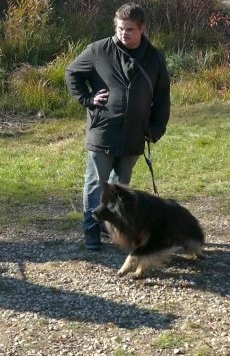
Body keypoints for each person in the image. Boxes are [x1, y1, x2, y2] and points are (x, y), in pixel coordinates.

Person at [65, 3, 170, 250]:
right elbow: (72, 73)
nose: (124, 33)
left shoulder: (154, 58)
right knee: (95, 183)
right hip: (103, 131)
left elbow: (162, 97)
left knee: (120, 188)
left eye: (130, 29)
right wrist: (88, 99)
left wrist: (156, 128)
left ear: (142, 29)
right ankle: (91, 230)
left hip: (135, 135)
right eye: (121, 28)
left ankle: (111, 227)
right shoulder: (98, 50)